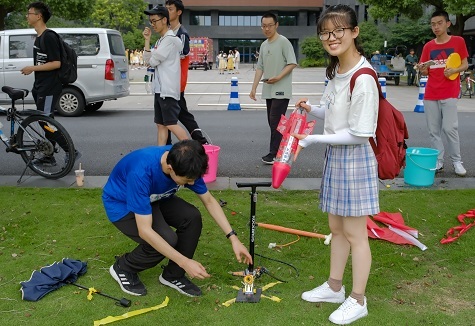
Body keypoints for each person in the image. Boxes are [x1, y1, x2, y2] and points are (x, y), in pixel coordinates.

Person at [292, 5, 379, 325]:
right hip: (336, 157)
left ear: (354, 32)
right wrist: (311, 109)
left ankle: (358, 300)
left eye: (338, 30)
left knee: (356, 234)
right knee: (337, 228)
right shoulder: (336, 72)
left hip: (354, 160)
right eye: (326, 32)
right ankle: (334, 287)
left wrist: (312, 141)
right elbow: (334, 115)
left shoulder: (364, 77)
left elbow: (360, 134)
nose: (332, 38)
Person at [103, 140, 252, 297]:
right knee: (165, 240)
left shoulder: (188, 160)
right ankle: (123, 267)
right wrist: (185, 261)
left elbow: (208, 200)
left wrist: (233, 238)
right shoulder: (141, 173)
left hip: (154, 197)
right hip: (122, 204)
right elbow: (145, 230)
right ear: (170, 169)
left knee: (191, 217)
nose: (192, 183)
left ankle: (173, 275)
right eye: (187, 181)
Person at [20, 1, 80, 165]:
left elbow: (56, 63)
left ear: (38, 16)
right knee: (44, 121)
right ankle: (49, 155)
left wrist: (32, 68)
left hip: (50, 87)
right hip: (41, 86)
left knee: (46, 121)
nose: (27, 16)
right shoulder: (38, 37)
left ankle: (70, 151)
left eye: (29, 13)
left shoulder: (49, 36)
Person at [418, 10, 468, 176]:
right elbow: (425, 71)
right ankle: (438, 161)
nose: (436, 27)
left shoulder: (458, 41)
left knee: (449, 128)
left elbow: (465, 65)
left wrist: (455, 69)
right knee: (433, 131)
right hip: (431, 93)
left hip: (449, 92)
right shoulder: (428, 46)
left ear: (448, 24)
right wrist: (423, 69)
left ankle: (457, 161)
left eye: (439, 23)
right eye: (433, 24)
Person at [249, 12, 297, 165]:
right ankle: (283, 148)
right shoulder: (264, 45)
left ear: (276, 25)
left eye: (270, 25)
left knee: (275, 121)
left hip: (281, 88)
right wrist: (254, 88)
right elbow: (260, 67)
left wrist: (278, 77)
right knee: (273, 122)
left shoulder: (283, 42)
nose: (267, 29)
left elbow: (292, 63)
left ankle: (274, 154)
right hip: (268, 90)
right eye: (264, 26)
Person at [142, 5, 189, 146]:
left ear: (164, 20)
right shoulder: (161, 40)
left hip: (166, 91)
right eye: (151, 21)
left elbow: (152, 61)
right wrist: (147, 40)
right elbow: (147, 61)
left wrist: (150, 57)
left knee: (171, 124)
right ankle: (160, 155)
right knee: (161, 125)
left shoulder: (169, 39)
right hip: (159, 90)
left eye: (155, 21)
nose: (152, 24)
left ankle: (194, 153)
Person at [165, 0, 208, 145]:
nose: (167, 11)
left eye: (170, 9)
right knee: (176, 116)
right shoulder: (168, 32)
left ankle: (200, 145)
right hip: (168, 83)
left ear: (179, 12)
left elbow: (179, 54)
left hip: (175, 83)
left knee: (173, 118)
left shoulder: (182, 34)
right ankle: (200, 143)